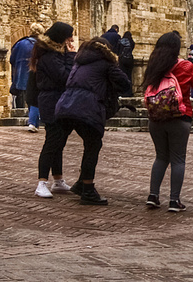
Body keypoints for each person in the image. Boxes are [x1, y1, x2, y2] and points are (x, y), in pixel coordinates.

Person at [51, 35, 133, 205]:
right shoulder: (106, 63)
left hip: (65, 105)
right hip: (86, 107)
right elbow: (124, 83)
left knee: (75, 143)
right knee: (93, 146)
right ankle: (87, 189)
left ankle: (81, 182)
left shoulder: (78, 62)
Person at [141, 29, 193, 212]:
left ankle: (153, 196)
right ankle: (174, 201)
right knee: (178, 159)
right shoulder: (186, 66)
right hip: (180, 116)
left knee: (161, 157)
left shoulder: (153, 66)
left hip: (155, 117)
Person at [33, 22, 78, 198]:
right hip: (51, 101)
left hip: (58, 100)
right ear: (61, 38)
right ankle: (41, 182)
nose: (72, 39)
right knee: (52, 142)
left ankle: (58, 180)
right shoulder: (50, 56)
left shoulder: (55, 54)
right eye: (69, 36)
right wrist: (72, 55)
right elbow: (65, 77)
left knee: (59, 142)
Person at [10, 23, 40, 115]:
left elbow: (12, 59)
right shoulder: (41, 46)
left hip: (20, 77)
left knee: (21, 100)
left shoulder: (20, 44)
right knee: (34, 100)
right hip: (36, 77)